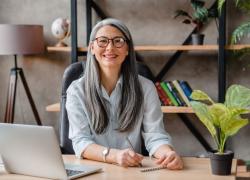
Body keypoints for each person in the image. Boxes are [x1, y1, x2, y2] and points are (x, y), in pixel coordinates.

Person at [66, 18, 183, 170]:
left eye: (118, 41)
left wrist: (168, 153)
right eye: (102, 41)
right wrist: (114, 156)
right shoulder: (76, 91)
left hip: (132, 171)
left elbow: (155, 136)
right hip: (92, 170)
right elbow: (81, 142)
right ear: (92, 48)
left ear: (127, 49)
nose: (110, 47)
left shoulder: (146, 88)